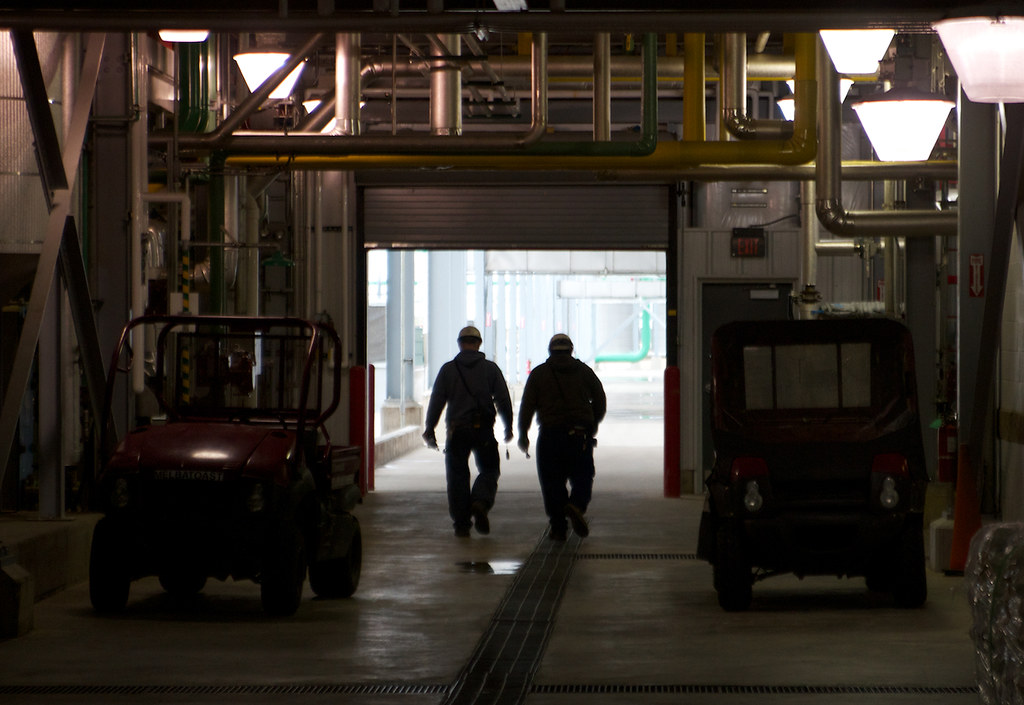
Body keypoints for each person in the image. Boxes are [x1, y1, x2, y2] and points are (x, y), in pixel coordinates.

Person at [423, 326, 514, 538]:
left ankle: (462, 524)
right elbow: (503, 399)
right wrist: (508, 426)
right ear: (479, 344)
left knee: (457, 477)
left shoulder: (448, 370)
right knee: (490, 470)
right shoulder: (490, 369)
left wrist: (430, 428)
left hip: (457, 431)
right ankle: (480, 502)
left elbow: (437, 401)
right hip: (483, 430)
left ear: (459, 343)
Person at [517, 333, 607, 541]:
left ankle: (558, 528)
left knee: (552, 483)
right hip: (579, 434)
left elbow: (527, 406)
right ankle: (576, 505)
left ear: (550, 351)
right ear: (571, 350)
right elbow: (600, 399)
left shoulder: (539, 374)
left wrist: (523, 433)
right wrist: (592, 424)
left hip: (550, 435)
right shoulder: (584, 372)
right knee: (583, 476)